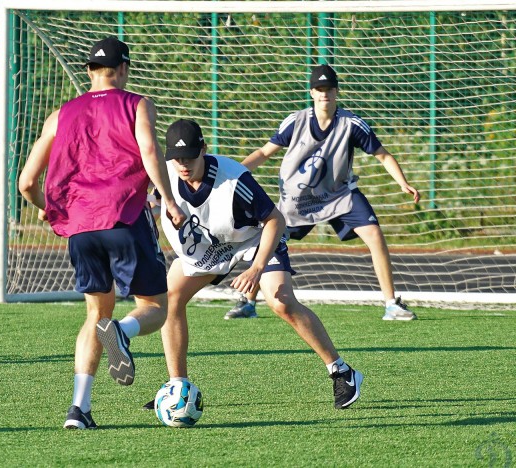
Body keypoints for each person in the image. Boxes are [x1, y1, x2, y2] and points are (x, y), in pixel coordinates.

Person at [18, 36, 186, 430]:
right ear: (124, 69)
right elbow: (148, 149)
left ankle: (79, 409)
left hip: (81, 228)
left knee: (95, 313)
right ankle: (124, 333)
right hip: (124, 217)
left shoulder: (61, 114)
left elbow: (26, 183)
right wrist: (169, 200)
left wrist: (50, 207)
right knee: (156, 308)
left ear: (89, 72)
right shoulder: (137, 103)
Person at [147, 118, 363, 411]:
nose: (183, 165)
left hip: (254, 240)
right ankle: (177, 387)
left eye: (190, 157)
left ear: (204, 150)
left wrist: (257, 267)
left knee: (281, 301)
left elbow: (276, 219)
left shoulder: (234, 180)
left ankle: (341, 371)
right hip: (211, 248)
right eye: (176, 159)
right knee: (170, 299)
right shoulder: (165, 179)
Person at [236, 64, 421, 321]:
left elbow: (382, 155)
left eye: (329, 89)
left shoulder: (351, 123)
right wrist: (236, 172)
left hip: (339, 196)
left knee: (375, 235)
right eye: (319, 89)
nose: (324, 94)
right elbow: (264, 153)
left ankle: (391, 304)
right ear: (312, 93)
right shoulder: (295, 121)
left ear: (336, 92)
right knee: (266, 240)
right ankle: (247, 301)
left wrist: (402, 182)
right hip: (297, 200)